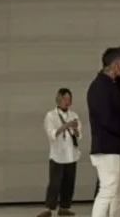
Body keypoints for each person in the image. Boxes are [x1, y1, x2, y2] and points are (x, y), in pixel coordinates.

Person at [87, 47, 120, 217]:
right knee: (107, 190)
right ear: (115, 65)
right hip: (106, 148)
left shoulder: (114, 86)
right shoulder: (99, 87)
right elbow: (106, 120)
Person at [39, 88, 81, 217]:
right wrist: (65, 126)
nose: (67, 102)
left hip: (71, 154)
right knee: (55, 183)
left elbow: (79, 136)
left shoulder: (74, 115)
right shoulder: (51, 115)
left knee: (69, 183)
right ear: (58, 99)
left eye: (69, 99)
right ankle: (49, 208)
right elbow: (51, 134)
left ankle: (65, 207)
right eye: (64, 99)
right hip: (57, 154)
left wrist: (75, 129)